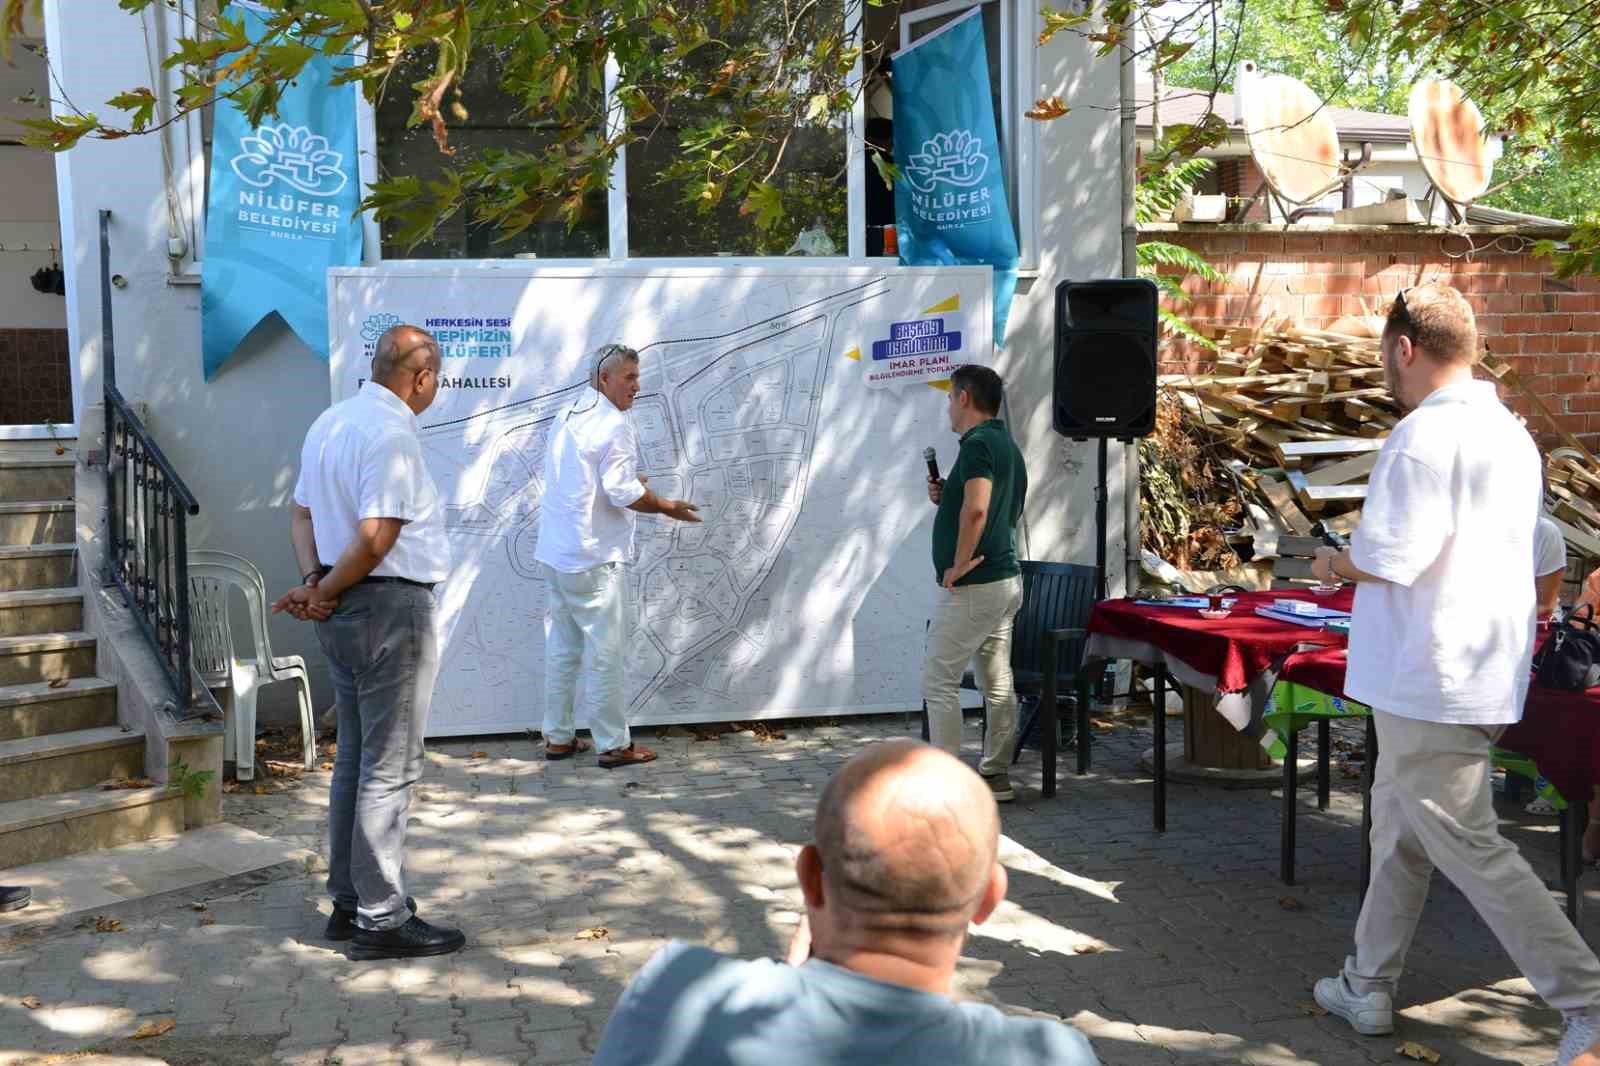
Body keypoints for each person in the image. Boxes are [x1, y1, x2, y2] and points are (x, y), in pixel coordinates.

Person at [1308, 284, 1600, 1066]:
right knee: (1400, 835)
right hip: (1471, 671)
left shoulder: (1421, 437)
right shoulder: (1511, 435)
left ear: (1405, 348)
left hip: (1426, 677)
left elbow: (1390, 558)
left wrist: (1335, 559)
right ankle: (1366, 982)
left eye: (1383, 354)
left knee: (1471, 845)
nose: (1383, 368)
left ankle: (1586, 998)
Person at [589, 739, 1100, 1066]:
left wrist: (791, 979)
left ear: (810, 877)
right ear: (989, 898)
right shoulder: (1047, 1055)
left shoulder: (679, 996)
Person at [272, 324, 465, 961]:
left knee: (355, 760)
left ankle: (349, 903)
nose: (435, 389)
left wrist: (314, 584)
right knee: (389, 767)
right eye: (435, 378)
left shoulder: (332, 420)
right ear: (420, 377)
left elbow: (301, 513)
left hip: (346, 608)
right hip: (389, 608)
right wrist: (323, 584)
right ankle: (381, 918)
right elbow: (379, 536)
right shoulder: (391, 434)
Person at [535, 343, 700, 769]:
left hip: (557, 551)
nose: (637, 387)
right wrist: (665, 506)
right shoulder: (613, 424)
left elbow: (591, 480)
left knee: (563, 649)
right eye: (629, 378)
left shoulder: (569, 413)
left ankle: (557, 738)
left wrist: (629, 482)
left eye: (637, 377)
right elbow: (622, 493)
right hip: (592, 556)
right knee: (604, 653)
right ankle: (612, 745)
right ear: (603, 378)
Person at [923, 365, 1029, 802]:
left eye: (950, 398)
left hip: (976, 585)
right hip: (1004, 581)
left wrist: (958, 565)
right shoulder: (1005, 445)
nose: (948, 407)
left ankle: (945, 786)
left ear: (964, 397)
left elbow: (979, 511)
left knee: (938, 681)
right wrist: (949, 492)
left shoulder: (978, 444)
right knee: (996, 681)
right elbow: (1000, 506)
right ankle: (995, 776)